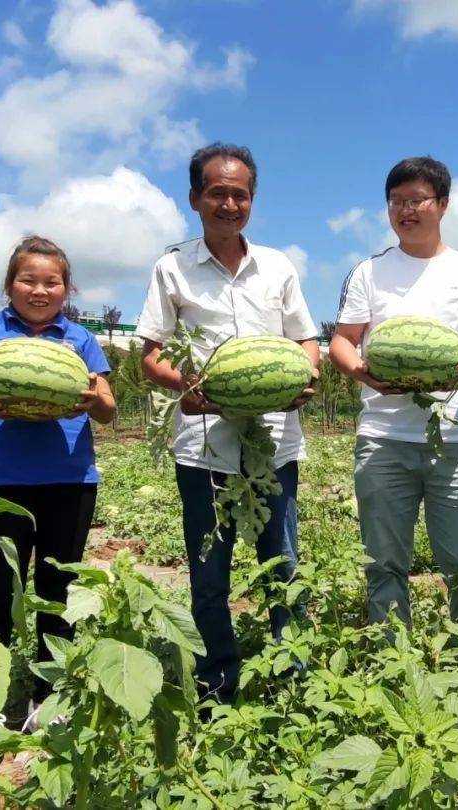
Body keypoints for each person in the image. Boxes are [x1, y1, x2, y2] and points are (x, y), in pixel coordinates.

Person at [136, 143, 320, 704]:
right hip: (203, 446)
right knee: (209, 575)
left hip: (274, 445)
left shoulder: (279, 266)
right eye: (217, 192)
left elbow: (305, 340)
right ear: (195, 198)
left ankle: (296, 680)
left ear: (252, 200)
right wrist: (187, 386)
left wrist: (303, 377)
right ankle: (219, 680)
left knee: (282, 565)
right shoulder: (172, 268)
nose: (229, 203)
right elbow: (150, 352)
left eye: (240, 194)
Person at [329, 156, 458, 626]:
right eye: (396, 201)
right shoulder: (368, 272)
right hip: (384, 438)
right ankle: (392, 659)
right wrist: (363, 372)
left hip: (457, 438)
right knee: (383, 563)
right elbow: (342, 340)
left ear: (442, 205)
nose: (405, 210)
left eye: (416, 200)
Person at [0, 235, 116, 728]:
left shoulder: (80, 339)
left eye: (52, 282)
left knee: (57, 589)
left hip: (69, 479)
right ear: (10, 284)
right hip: (1, 481)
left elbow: (107, 408)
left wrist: (92, 399)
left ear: (66, 289)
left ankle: (50, 697)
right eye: (28, 280)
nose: (39, 290)